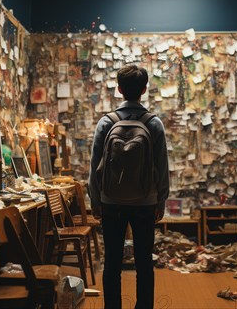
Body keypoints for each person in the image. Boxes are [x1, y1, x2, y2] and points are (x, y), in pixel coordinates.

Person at [88, 64, 170, 309]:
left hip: (111, 202)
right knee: (144, 263)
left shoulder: (106, 122)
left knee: (112, 262)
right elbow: (162, 165)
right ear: (144, 89)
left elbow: (94, 165)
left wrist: (95, 199)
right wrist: (161, 199)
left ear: (119, 89)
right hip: (146, 202)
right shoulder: (154, 124)